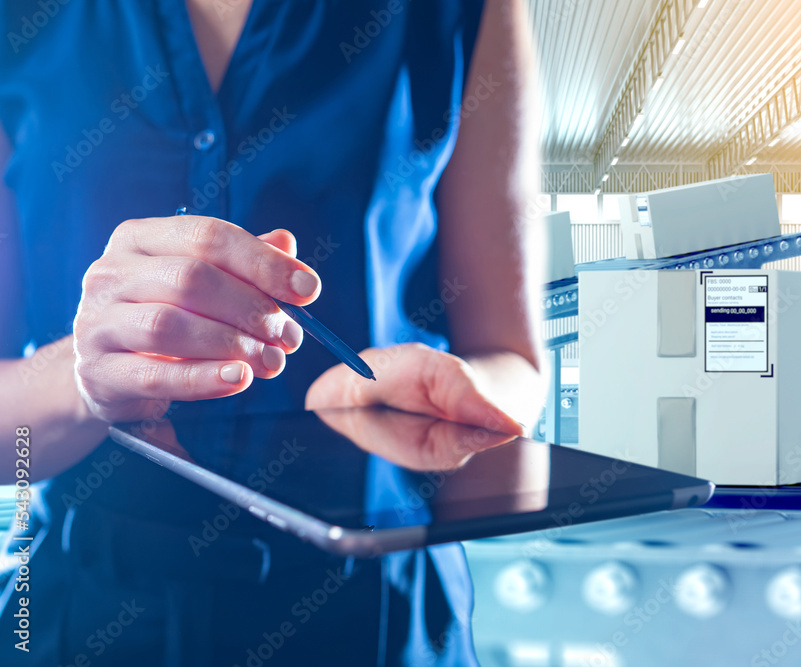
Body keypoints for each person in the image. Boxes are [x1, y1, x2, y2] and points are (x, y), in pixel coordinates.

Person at [0, 0, 544, 664]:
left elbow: (514, 365)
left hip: (376, 621)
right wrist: (82, 377)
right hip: (85, 620)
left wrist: (459, 390)